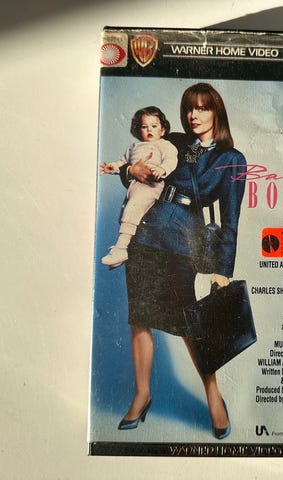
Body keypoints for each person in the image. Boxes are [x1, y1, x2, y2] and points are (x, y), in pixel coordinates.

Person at [116, 83, 246, 440]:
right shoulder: (171, 140)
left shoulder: (231, 159)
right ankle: (142, 395)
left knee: (189, 321)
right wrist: (131, 172)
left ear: (216, 111)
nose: (193, 115)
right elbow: (132, 167)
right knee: (139, 317)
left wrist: (223, 270)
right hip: (146, 232)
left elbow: (231, 220)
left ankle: (213, 395)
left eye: (202, 108)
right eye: (189, 108)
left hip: (184, 241)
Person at [99, 106, 178, 267]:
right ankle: (122, 251)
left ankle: (121, 249)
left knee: (132, 210)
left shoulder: (164, 145)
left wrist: (162, 169)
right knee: (129, 212)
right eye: (144, 126)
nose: (149, 130)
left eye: (154, 126)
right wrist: (112, 167)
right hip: (135, 185)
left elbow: (171, 160)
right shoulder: (134, 147)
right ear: (138, 130)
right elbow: (123, 163)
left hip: (151, 184)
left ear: (163, 130)